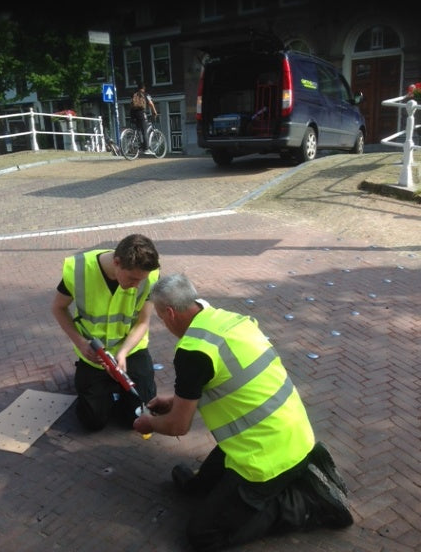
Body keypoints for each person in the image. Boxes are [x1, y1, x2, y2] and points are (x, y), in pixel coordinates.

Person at [133, 273, 353, 552]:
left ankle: (306, 503)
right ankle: (209, 486)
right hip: (291, 433)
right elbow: (227, 379)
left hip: (267, 456)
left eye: (162, 319)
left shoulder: (192, 351)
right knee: (203, 488)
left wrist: (147, 424)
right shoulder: (228, 320)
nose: (165, 324)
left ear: (171, 313)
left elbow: (178, 426)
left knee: (202, 535)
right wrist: (175, 399)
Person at [52, 233, 160, 431]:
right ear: (117, 262)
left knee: (138, 418)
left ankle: (115, 390)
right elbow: (58, 308)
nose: (137, 285)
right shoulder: (78, 269)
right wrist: (81, 343)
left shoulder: (149, 275)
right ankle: (103, 389)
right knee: (92, 422)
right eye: (132, 278)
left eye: (141, 280)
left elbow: (143, 321)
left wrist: (123, 353)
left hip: (130, 350)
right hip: (94, 354)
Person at [130, 82, 158, 153]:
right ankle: (146, 149)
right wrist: (154, 112)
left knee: (139, 130)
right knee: (144, 131)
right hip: (141, 113)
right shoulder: (146, 95)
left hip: (133, 113)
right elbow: (151, 104)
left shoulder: (134, 94)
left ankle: (140, 147)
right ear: (144, 88)